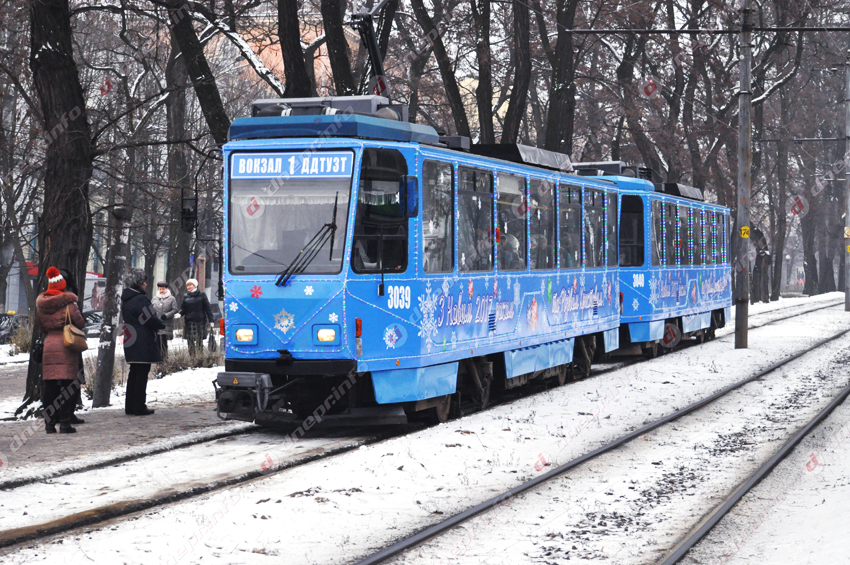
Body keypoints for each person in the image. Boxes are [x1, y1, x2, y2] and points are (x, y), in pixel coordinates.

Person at [37, 267, 86, 433]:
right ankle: (65, 422)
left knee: (50, 387)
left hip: (49, 344)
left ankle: (49, 424)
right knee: (68, 385)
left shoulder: (41, 305)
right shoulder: (69, 303)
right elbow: (80, 323)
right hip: (67, 344)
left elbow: (41, 326)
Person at [121, 268, 165, 416]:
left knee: (134, 372)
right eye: (143, 281)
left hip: (130, 337)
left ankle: (130, 406)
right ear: (139, 283)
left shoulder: (126, 299)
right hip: (142, 339)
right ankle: (139, 406)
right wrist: (161, 324)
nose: (146, 284)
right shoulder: (141, 299)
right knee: (141, 374)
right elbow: (149, 318)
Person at [58, 268, 85, 425]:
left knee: (54, 382)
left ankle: (55, 414)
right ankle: (67, 414)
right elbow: (80, 321)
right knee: (73, 380)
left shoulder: (47, 299)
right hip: (71, 341)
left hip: (52, 344)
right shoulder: (70, 300)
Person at [180, 278, 213, 357]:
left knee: (199, 340)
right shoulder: (185, 296)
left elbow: (207, 308)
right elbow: (183, 309)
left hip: (200, 321)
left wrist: (211, 320)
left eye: (190, 285)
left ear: (195, 285)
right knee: (190, 341)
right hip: (189, 322)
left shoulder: (202, 295)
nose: (189, 287)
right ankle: (192, 357)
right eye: (187, 285)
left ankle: (199, 357)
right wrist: (179, 314)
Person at [151, 281, 179, 358]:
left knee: (163, 343)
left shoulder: (172, 299)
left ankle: (164, 360)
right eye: (160, 289)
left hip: (165, 325)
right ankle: (158, 361)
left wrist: (166, 315)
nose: (161, 291)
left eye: (163, 289)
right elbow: (150, 309)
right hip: (156, 325)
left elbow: (175, 309)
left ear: (167, 289)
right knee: (157, 344)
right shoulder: (154, 298)